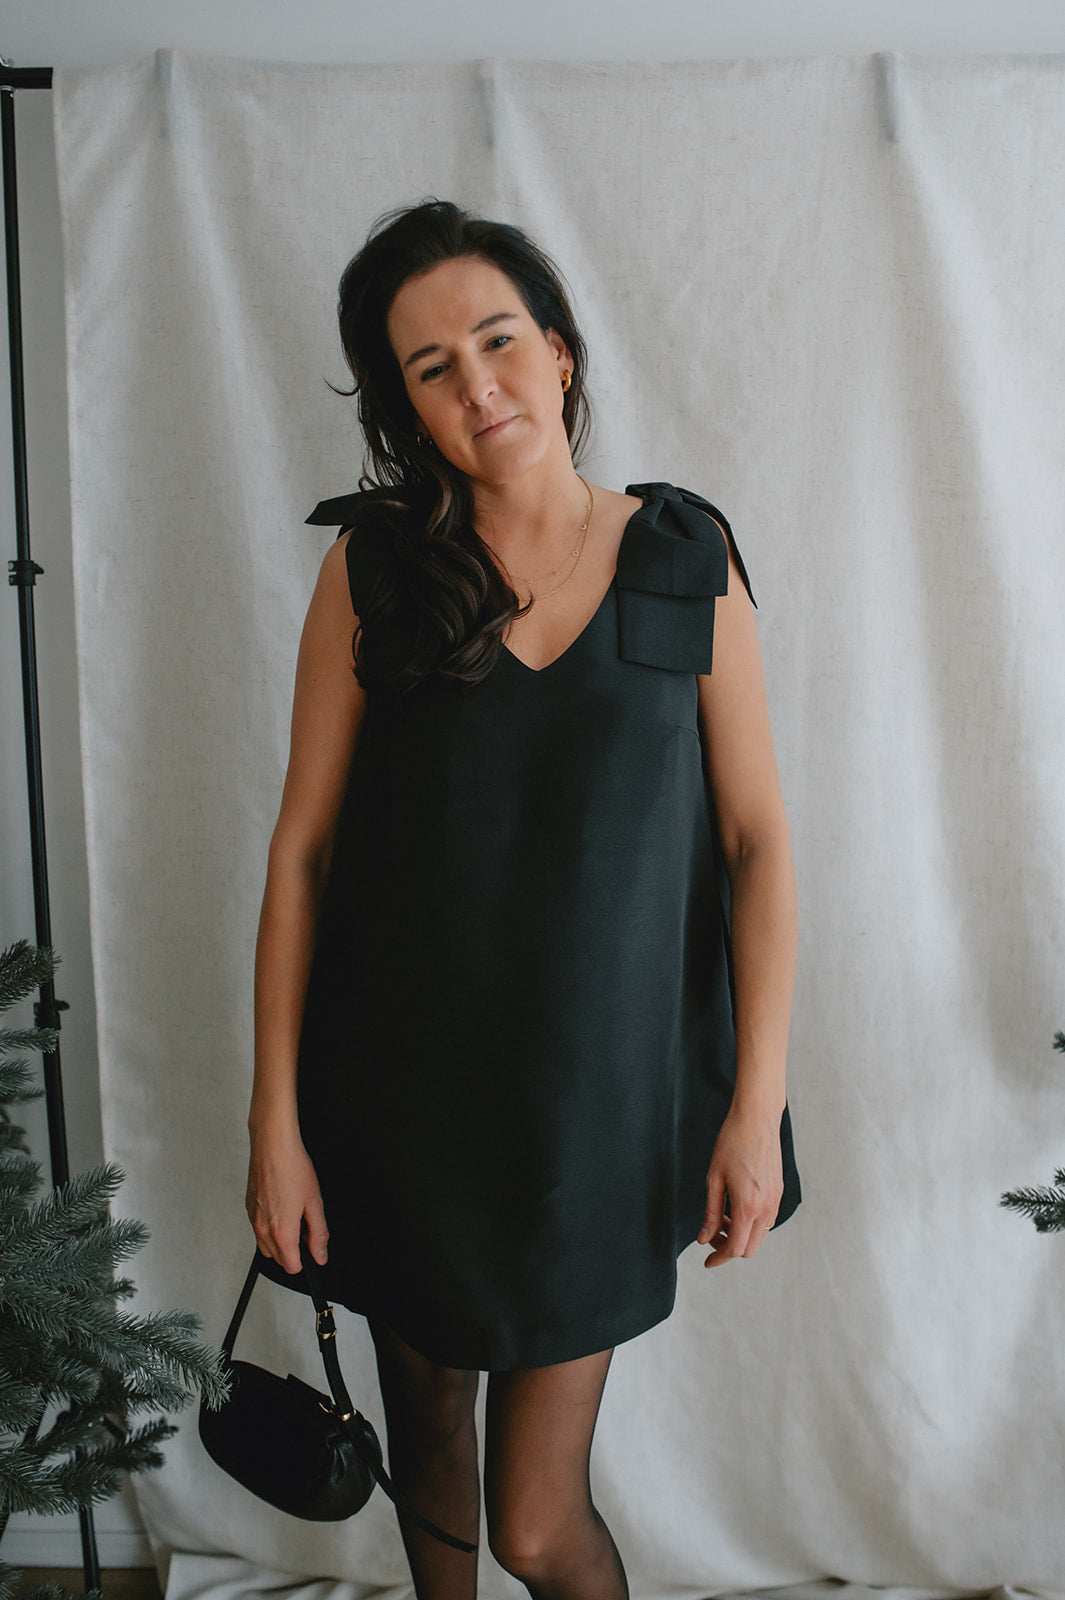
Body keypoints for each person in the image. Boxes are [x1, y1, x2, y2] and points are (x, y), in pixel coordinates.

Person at [245, 197, 801, 1600]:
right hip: (400, 1106)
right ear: (402, 405)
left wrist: (754, 1107)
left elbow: (757, 846)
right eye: (430, 366)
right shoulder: (374, 571)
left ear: (557, 351)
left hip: (602, 1119)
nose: (477, 385)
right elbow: (302, 853)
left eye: (497, 340)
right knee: (429, 1463)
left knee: (536, 1529)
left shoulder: (682, 554)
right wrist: (275, 1123)